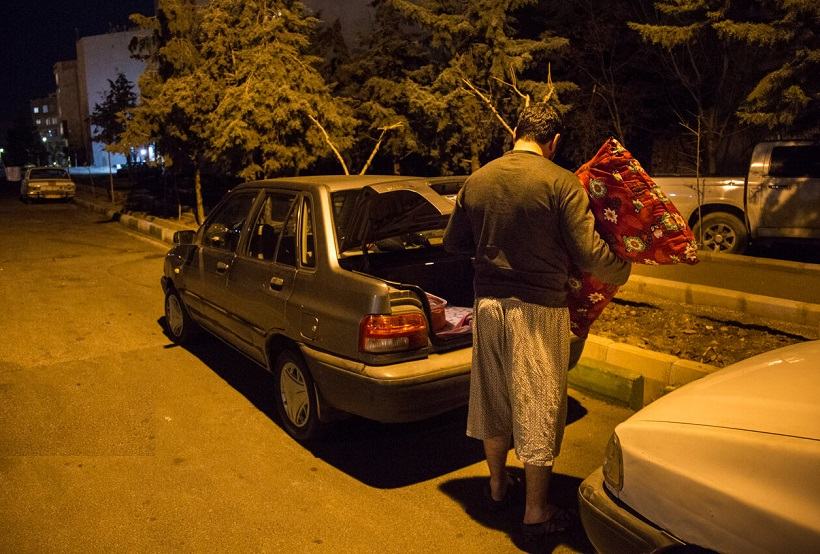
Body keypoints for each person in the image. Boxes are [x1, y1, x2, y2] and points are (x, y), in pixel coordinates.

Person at [442, 103, 630, 537]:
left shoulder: (479, 179)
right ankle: (535, 511)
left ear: (517, 133)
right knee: (538, 403)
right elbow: (587, 252)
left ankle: (495, 484)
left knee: (493, 396)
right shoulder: (560, 182)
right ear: (553, 141)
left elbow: (454, 243)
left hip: (487, 306)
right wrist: (622, 269)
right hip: (539, 309)